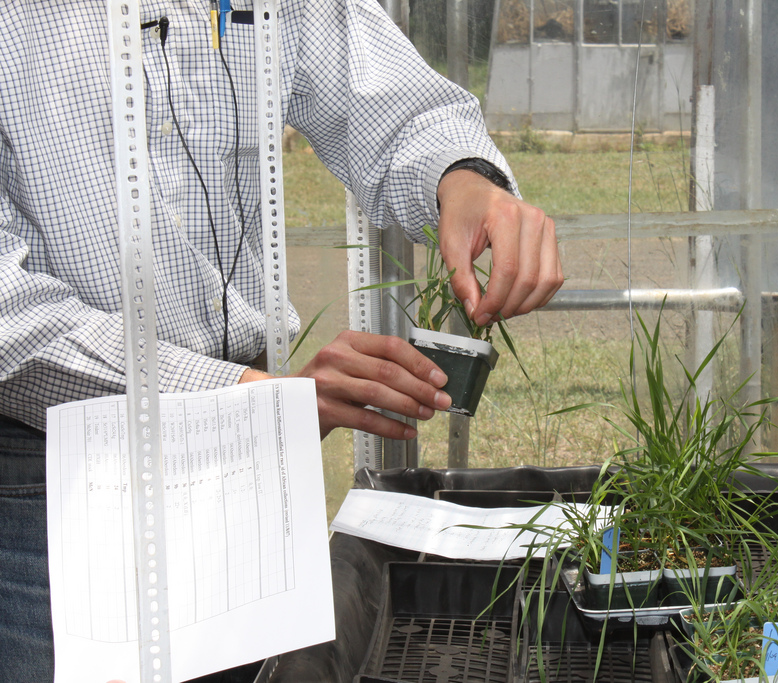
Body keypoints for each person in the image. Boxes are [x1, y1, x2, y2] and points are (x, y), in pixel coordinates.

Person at [0, 1, 562, 679]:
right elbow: (11, 315)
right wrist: (254, 400)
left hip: (252, 472)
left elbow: (388, 97)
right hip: (61, 481)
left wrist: (464, 175)